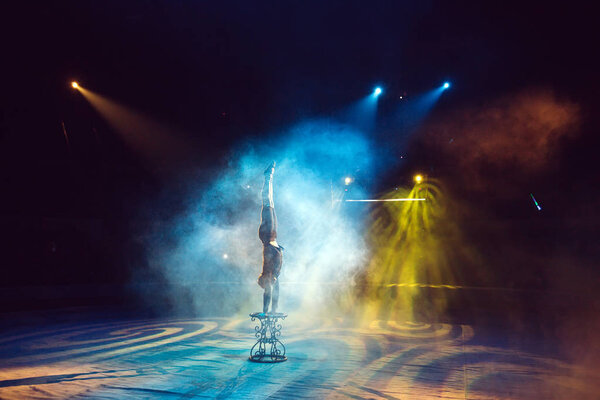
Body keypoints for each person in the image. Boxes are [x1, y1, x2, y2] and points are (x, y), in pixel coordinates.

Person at [257, 162, 284, 314]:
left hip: (267, 235)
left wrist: (264, 311)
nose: (272, 284)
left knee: (267, 203)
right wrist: (273, 311)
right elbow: (276, 293)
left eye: (268, 283)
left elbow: (267, 295)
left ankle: (268, 176)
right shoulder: (275, 275)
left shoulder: (268, 270)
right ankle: (269, 176)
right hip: (273, 236)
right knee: (271, 204)